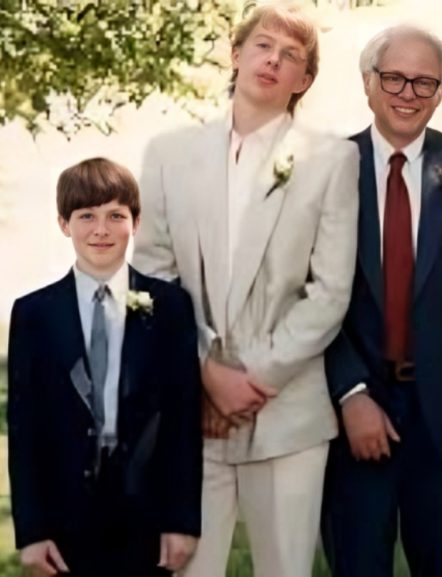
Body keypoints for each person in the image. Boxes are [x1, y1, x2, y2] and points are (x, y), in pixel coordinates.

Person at [132, 2, 359, 575]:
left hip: (288, 413)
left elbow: (330, 291)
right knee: (188, 567)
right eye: (264, 45)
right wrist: (207, 374)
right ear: (236, 54)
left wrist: (252, 382)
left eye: (292, 56)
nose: (274, 60)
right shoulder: (168, 154)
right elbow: (155, 277)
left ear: (303, 80)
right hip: (192, 411)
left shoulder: (332, 160)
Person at [322, 24, 442, 577]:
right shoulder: (327, 166)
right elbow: (310, 292)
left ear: (440, 92)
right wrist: (350, 391)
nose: (408, 93)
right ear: (368, 83)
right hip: (355, 418)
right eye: (395, 78)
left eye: (424, 82)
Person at [7, 158, 202, 577]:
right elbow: (24, 429)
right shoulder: (34, 314)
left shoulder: (169, 307)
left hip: (147, 515)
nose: (101, 229)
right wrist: (32, 531)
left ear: (135, 221)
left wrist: (182, 521)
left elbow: (183, 421)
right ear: (63, 223)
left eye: (116, 215)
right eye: (86, 216)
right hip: (65, 518)